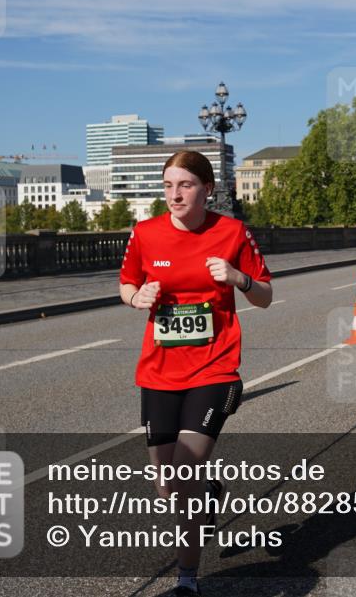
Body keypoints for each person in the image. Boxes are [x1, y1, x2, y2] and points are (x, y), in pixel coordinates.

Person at [118, 150, 273, 597]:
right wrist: (136, 298)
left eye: (184, 185)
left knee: (185, 473)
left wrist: (237, 279)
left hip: (215, 368)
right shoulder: (145, 233)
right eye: (168, 185)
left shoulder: (233, 232)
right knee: (168, 483)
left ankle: (186, 579)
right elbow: (125, 281)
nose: (175, 194)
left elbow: (264, 295)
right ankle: (206, 499)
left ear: (207, 188)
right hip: (159, 372)